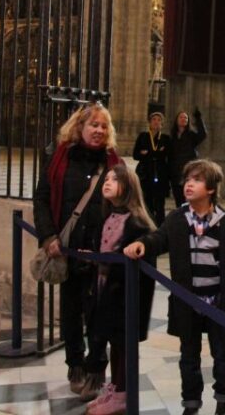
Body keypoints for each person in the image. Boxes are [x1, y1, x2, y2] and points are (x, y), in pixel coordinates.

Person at [125, 159, 225, 415]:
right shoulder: (177, 219)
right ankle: (191, 403)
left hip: (219, 302)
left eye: (197, 180)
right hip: (187, 301)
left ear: (211, 188)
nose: (188, 184)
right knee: (188, 357)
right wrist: (144, 245)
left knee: (222, 355)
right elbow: (159, 238)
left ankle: (223, 399)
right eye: (187, 179)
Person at [32, 103, 121, 392]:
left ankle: (96, 368)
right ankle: (75, 365)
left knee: (99, 314)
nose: (99, 130)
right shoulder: (59, 159)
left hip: (101, 254)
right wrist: (48, 237)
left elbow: (126, 204)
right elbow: (42, 199)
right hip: (67, 250)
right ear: (79, 127)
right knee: (71, 312)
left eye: (103, 126)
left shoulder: (113, 163)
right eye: (93, 125)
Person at [82, 164, 157, 415]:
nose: (108, 181)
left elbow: (134, 263)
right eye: (107, 178)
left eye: (115, 179)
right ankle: (115, 388)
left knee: (124, 345)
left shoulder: (137, 223)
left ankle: (124, 394)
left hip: (125, 296)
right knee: (113, 342)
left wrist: (104, 261)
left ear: (129, 188)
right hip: (106, 290)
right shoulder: (107, 216)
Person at [133, 112, 171, 226]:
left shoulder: (165, 138)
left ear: (162, 124)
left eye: (159, 120)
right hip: (145, 173)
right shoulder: (143, 136)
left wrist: (147, 153)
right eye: (154, 119)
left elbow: (167, 154)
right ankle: (147, 224)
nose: (156, 122)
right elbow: (136, 155)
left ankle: (160, 226)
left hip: (160, 173)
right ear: (149, 122)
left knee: (160, 203)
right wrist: (156, 153)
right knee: (146, 200)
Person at [169, 108, 207, 207]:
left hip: (188, 170)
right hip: (175, 171)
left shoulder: (191, 135)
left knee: (188, 197)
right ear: (176, 120)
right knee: (178, 197)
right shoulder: (172, 136)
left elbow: (202, 135)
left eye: (186, 118)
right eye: (181, 117)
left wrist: (198, 119)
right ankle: (181, 219)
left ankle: (189, 220)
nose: (183, 119)